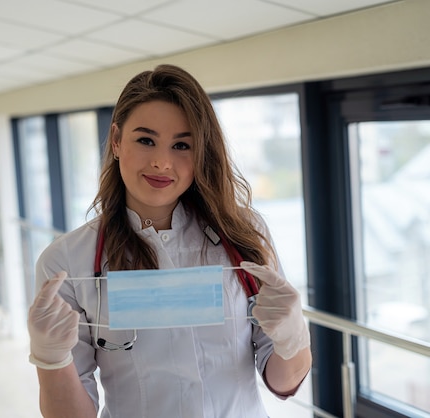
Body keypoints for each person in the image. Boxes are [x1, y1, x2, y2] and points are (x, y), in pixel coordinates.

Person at [27, 64, 312, 418]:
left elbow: (283, 382)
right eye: (145, 140)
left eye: (181, 145)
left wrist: (293, 336)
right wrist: (52, 359)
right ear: (116, 141)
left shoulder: (243, 233)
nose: (162, 162)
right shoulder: (67, 261)